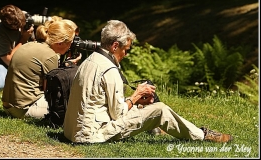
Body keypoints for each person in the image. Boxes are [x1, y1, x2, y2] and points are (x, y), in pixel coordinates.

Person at [63, 20, 233, 143]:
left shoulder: (90, 60)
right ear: (115, 46)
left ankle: (160, 129)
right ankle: (202, 135)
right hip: (91, 134)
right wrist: (136, 95)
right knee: (159, 109)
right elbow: (117, 113)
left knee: (143, 106)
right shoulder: (109, 69)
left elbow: (99, 102)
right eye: (125, 50)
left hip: (73, 130)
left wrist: (137, 102)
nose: (126, 55)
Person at [1, 18, 80, 119]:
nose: (70, 47)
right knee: (73, 102)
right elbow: (50, 91)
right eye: (70, 43)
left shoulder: (30, 44)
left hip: (9, 106)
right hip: (24, 109)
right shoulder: (50, 55)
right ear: (60, 43)